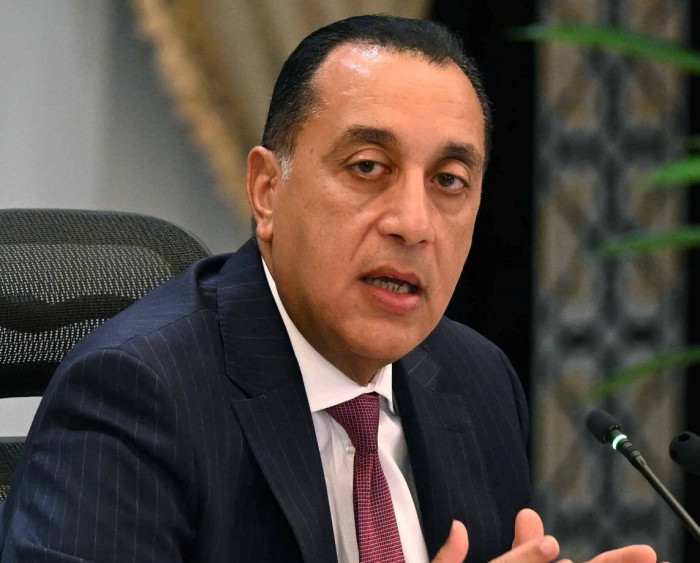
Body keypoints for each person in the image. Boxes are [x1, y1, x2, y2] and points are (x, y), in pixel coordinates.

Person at [0, 14, 657, 563]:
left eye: (449, 181)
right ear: (267, 191)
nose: (413, 223)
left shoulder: (477, 380)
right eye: (368, 166)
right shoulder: (136, 394)